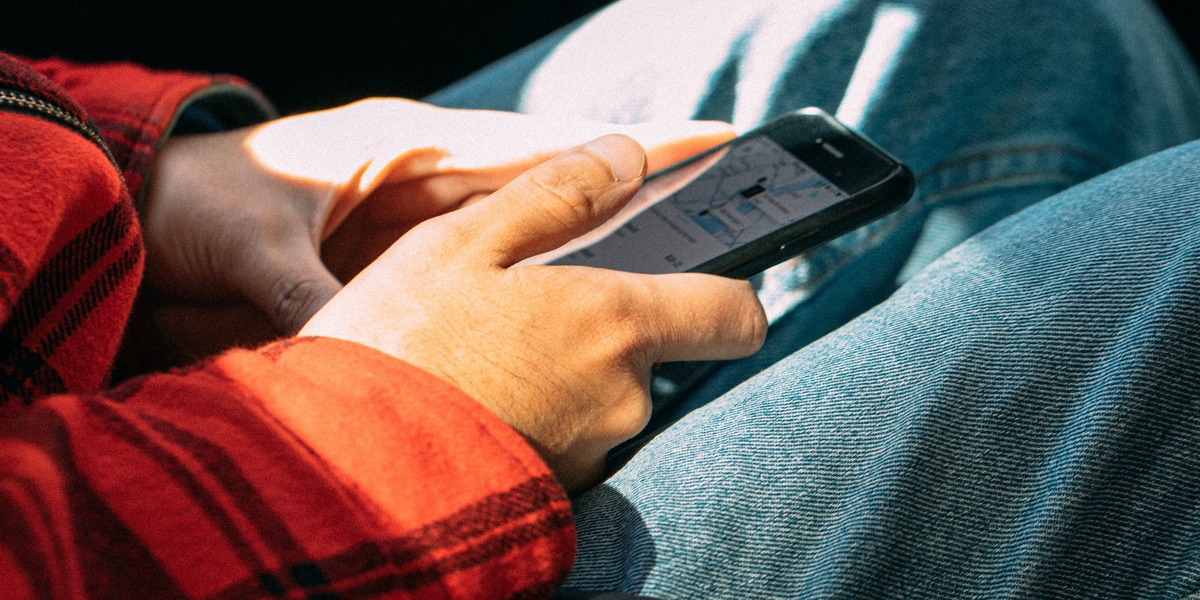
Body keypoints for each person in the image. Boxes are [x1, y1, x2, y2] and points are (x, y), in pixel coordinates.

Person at [2, 1, 1199, 599]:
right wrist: (389, 415)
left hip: (105, 386)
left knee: (1016, 30)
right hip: (275, 523)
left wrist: (129, 170)